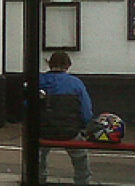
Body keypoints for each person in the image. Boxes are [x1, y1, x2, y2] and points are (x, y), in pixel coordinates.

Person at [38, 51, 93, 185]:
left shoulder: (40, 80)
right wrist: (85, 127)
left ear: (50, 64)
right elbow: (86, 111)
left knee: (39, 157)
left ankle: (39, 179)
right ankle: (82, 182)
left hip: (44, 131)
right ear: (68, 65)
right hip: (70, 131)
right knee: (80, 158)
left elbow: (27, 104)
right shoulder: (76, 83)